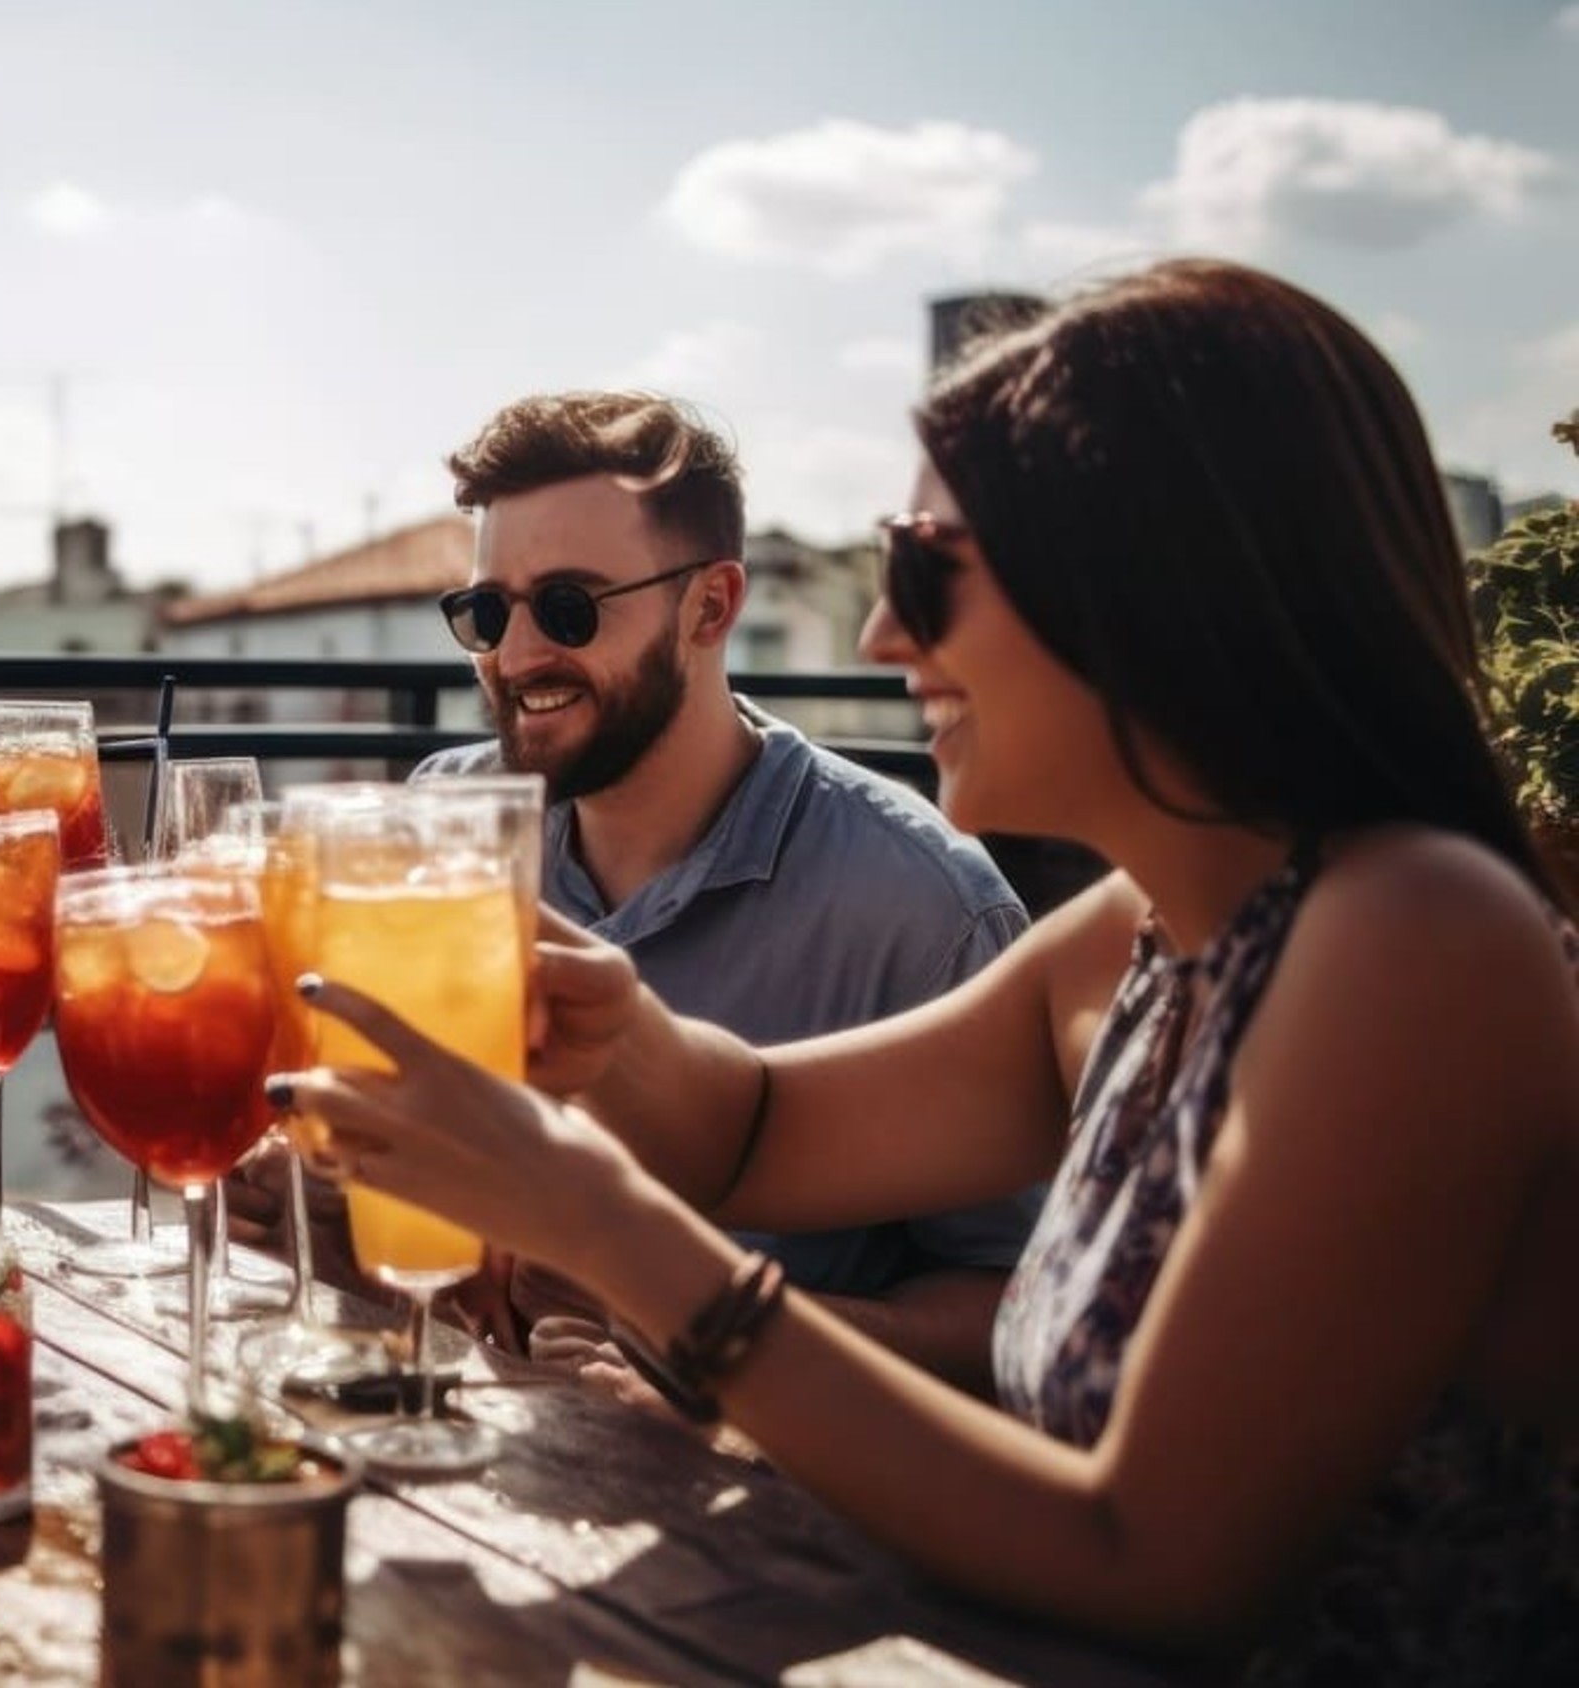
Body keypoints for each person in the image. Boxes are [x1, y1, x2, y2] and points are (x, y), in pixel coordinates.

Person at [279, 260, 1579, 1674]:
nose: (882, 635)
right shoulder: (1146, 928)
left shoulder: (1420, 937)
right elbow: (772, 1129)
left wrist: (610, 1235)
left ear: (1150, 585)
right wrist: (613, 1033)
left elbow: (1154, 1559)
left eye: (924, 571)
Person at [251, 389, 1036, 1395]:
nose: (519, 653)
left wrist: (705, 1345)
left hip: (749, 1520)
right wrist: (324, 1211)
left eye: (570, 606)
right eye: (488, 611)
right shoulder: (440, 820)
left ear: (710, 606)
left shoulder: (918, 904)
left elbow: (1013, 1314)